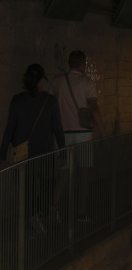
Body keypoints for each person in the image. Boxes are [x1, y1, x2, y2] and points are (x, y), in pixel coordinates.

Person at [50, 50, 103, 223]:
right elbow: (94, 107)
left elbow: (51, 104)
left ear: (69, 63)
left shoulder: (57, 81)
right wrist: (102, 130)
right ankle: (81, 213)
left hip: (62, 135)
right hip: (83, 135)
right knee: (84, 175)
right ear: (83, 64)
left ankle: (54, 211)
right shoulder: (88, 83)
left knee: (63, 175)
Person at [0, 64, 65, 163]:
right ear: (41, 81)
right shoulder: (51, 101)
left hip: (22, 155)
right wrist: (63, 152)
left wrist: (3, 153)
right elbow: (58, 129)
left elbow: (10, 128)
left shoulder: (17, 100)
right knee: (46, 178)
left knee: (24, 178)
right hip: (45, 153)